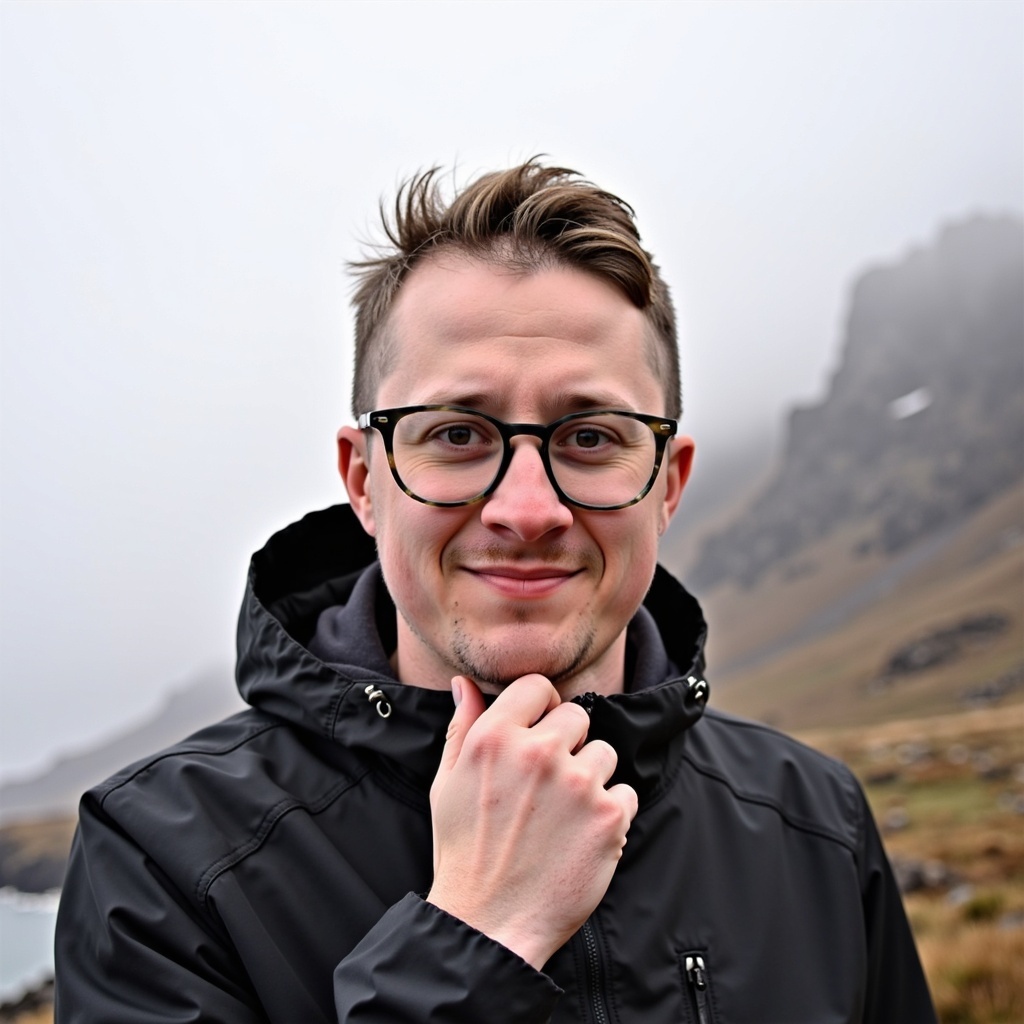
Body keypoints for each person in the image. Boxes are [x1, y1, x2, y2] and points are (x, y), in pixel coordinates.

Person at [55, 160, 936, 1022]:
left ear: (668, 484)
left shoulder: (817, 824)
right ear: (364, 480)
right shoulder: (163, 857)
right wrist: (480, 935)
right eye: (458, 434)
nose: (526, 509)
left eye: (591, 436)